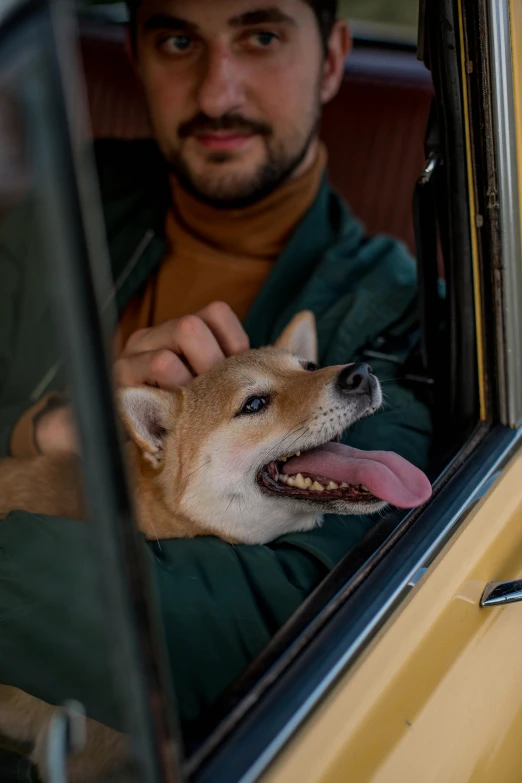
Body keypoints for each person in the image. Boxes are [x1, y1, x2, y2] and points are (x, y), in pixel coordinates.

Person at [0, 0, 432, 748]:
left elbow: (263, 633)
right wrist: (44, 424)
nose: (216, 92)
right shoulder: (62, 200)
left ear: (331, 58)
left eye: (260, 36)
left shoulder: (399, 318)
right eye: (177, 40)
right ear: (135, 58)